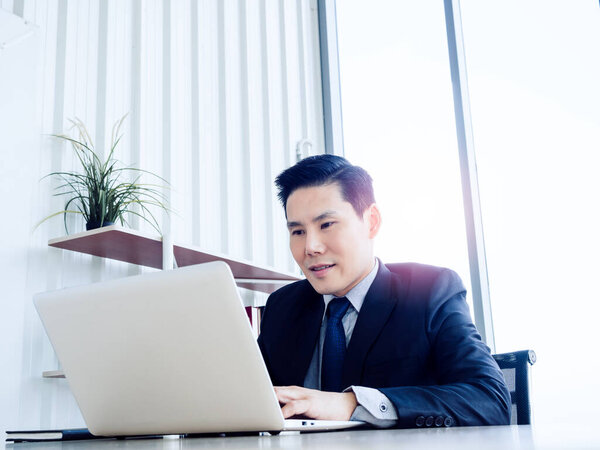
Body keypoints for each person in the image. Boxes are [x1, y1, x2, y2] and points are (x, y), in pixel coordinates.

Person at [257, 154, 511, 428]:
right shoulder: (282, 307)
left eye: (326, 225)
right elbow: (250, 400)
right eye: (297, 232)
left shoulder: (430, 292)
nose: (311, 247)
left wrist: (352, 404)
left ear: (372, 222)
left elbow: (490, 400)